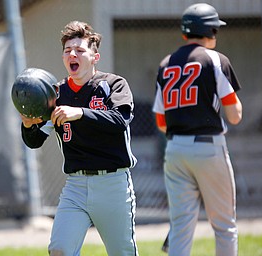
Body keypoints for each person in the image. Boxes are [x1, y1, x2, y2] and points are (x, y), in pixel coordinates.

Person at [20, 21, 138, 256]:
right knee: (59, 250)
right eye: (67, 51)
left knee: (121, 252)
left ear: (95, 57)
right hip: (75, 186)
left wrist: (81, 113)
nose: (73, 54)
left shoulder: (113, 84)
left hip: (112, 184)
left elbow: (119, 120)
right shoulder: (56, 93)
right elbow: (34, 141)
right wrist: (27, 124)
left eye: (80, 50)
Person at [152, 3, 242, 256]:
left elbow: (161, 122)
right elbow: (234, 116)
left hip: (175, 150)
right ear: (212, 31)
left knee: (181, 226)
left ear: (184, 33)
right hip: (208, 147)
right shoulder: (216, 59)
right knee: (224, 225)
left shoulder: (166, 63)